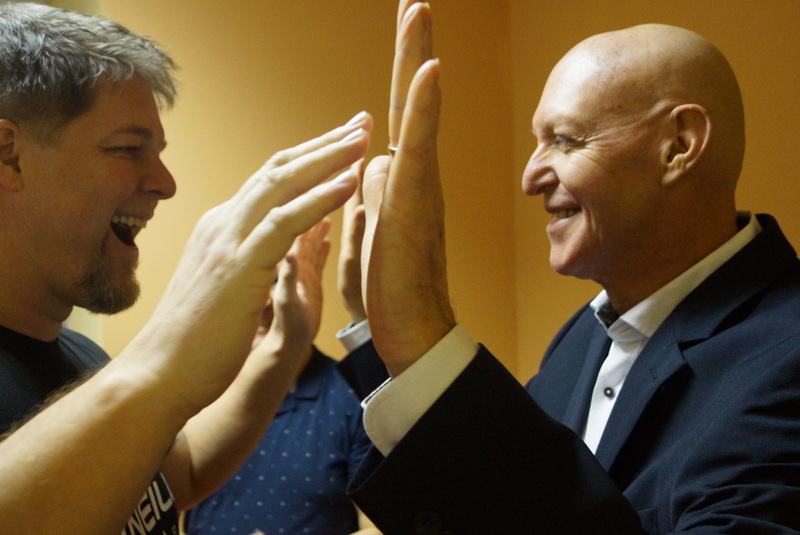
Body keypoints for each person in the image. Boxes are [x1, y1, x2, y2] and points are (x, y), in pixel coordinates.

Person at [345, 1, 800, 534]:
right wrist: (379, 327)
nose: (530, 177)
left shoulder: (787, 358)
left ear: (678, 145)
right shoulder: (582, 337)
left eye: (564, 140)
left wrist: (424, 335)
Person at [0, 3, 371, 535]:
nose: (165, 183)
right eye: (128, 148)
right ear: (9, 155)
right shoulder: (125, 377)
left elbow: (183, 472)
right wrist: (165, 354)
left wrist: (285, 346)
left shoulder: (82, 359)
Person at [183, 218, 381, 535]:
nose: (264, 302)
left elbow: (380, 526)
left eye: (276, 280)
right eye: (250, 281)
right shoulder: (198, 391)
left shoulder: (355, 397)